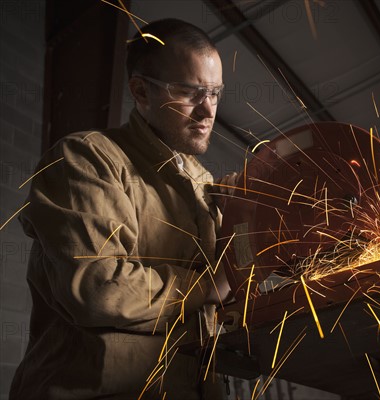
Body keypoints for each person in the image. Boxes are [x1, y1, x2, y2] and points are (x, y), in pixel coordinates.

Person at [10, 19, 236, 400]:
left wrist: (243, 227)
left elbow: (226, 297)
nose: (207, 110)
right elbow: (98, 287)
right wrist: (206, 287)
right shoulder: (88, 158)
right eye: (189, 92)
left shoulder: (203, 184)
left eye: (214, 92)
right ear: (141, 92)